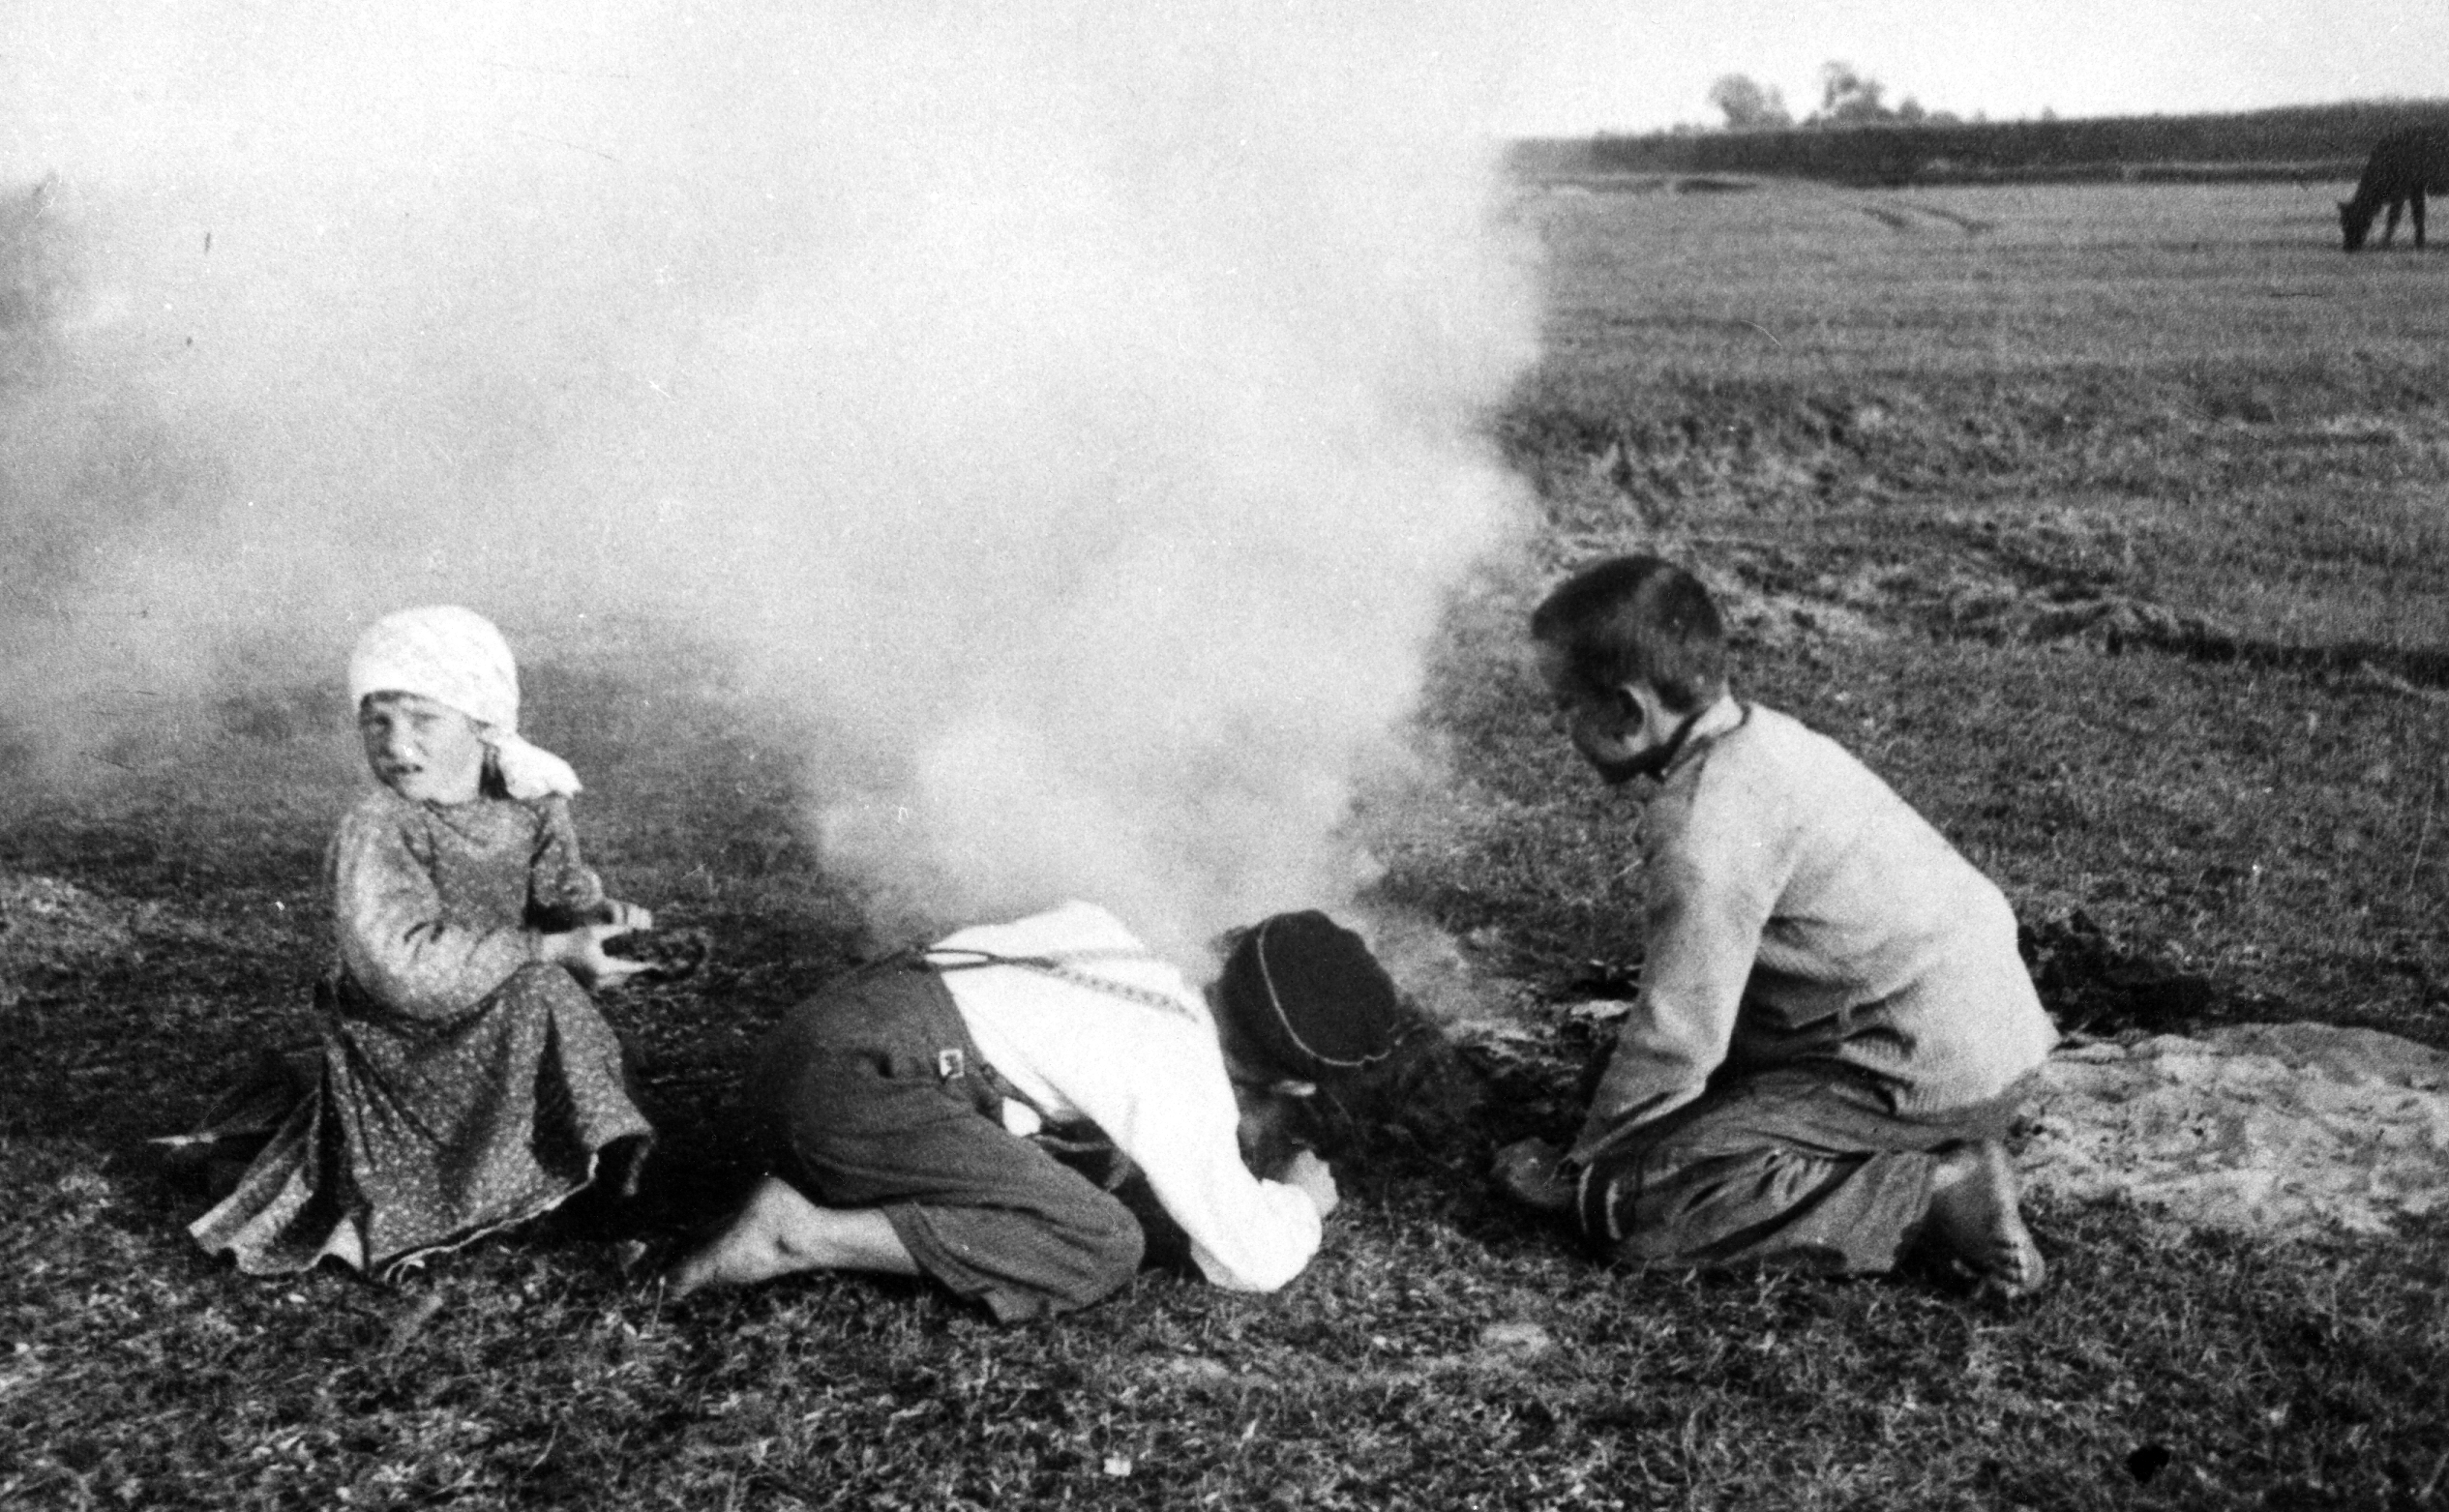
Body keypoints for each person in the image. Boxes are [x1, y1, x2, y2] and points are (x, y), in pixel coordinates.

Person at [1494, 555, 2058, 1295]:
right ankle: (1925, 1142)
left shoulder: (1702, 826)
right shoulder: (1766, 739)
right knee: (1619, 1085)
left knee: (1634, 1207)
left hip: (1918, 1062)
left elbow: (1678, 1031)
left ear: (1628, 712)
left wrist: (1583, 1172)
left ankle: (1935, 1190)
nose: (1562, 725)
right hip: (1981, 1028)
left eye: (1567, 704)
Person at [186, 605, 655, 1277]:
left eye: (424, 719)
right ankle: (555, 1196)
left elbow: (558, 894)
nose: (398, 744)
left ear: (483, 722)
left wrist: (597, 920)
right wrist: (547, 952)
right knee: (543, 994)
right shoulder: (381, 826)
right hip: (406, 1033)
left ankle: (574, 1180)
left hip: (498, 1003)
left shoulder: (530, 801)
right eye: (377, 720)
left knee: (554, 1006)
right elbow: (396, 966)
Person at [669, 902, 1411, 1320]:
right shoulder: (1179, 1072)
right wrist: (1300, 1202)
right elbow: (1247, 1259)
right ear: (1293, 1086)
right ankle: (797, 1233)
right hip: (853, 1091)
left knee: (1079, 1168)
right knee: (1099, 1241)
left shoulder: (1105, 930)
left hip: (810, 1042)